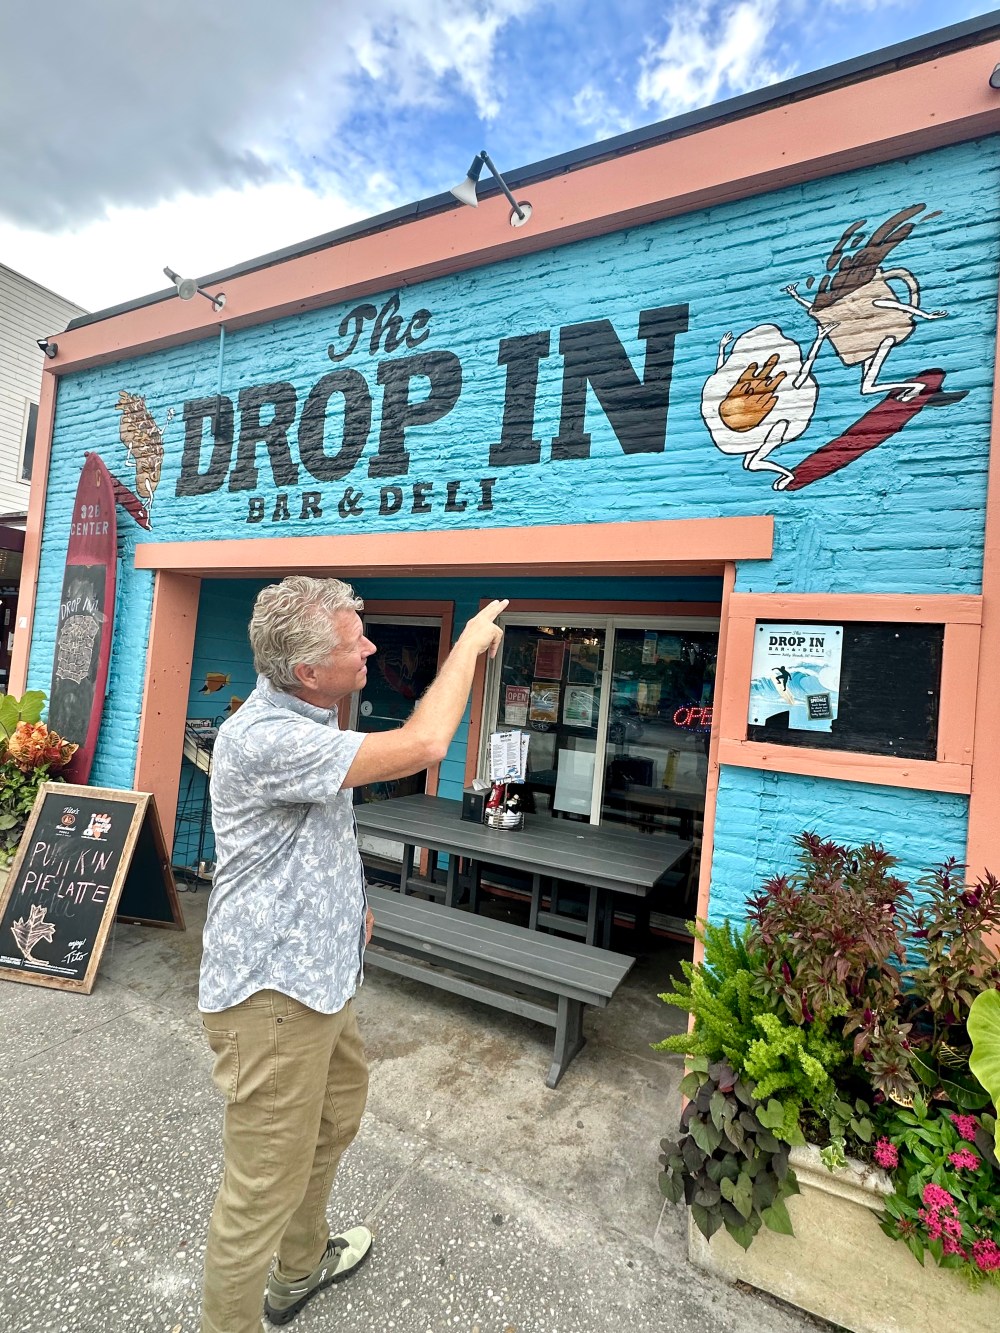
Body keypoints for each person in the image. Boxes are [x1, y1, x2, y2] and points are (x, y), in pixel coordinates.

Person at [198, 576, 507, 1333]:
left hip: (324, 977)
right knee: (257, 1192)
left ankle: (299, 1269)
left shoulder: (311, 713)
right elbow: (428, 744)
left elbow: (317, 834)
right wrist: (466, 645)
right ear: (307, 670)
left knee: (334, 1120)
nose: (371, 645)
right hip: (272, 1001)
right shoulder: (269, 737)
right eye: (354, 641)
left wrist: (356, 904)